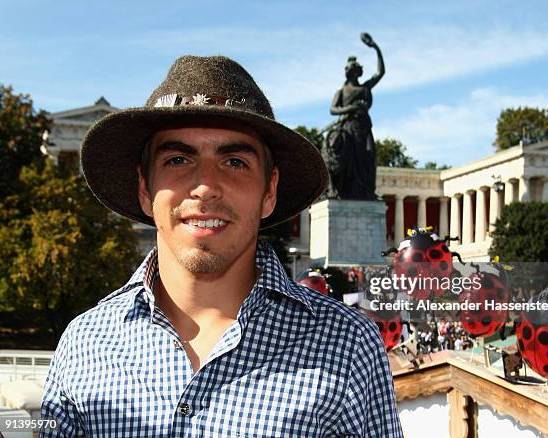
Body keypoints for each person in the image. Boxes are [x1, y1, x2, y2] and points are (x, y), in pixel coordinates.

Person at [39, 55, 403, 437]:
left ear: (270, 191)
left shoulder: (348, 345)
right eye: (178, 159)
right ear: (146, 190)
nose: (205, 186)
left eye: (234, 161)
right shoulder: (84, 343)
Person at [324, 33, 385, 200]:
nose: (354, 71)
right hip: (348, 130)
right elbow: (333, 109)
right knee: (350, 164)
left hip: (365, 128)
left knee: (369, 157)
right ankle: (341, 191)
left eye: (356, 69)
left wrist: (376, 48)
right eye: (352, 69)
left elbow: (380, 72)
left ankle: (368, 192)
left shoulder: (365, 87)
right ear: (349, 72)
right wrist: (350, 108)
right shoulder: (342, 91)